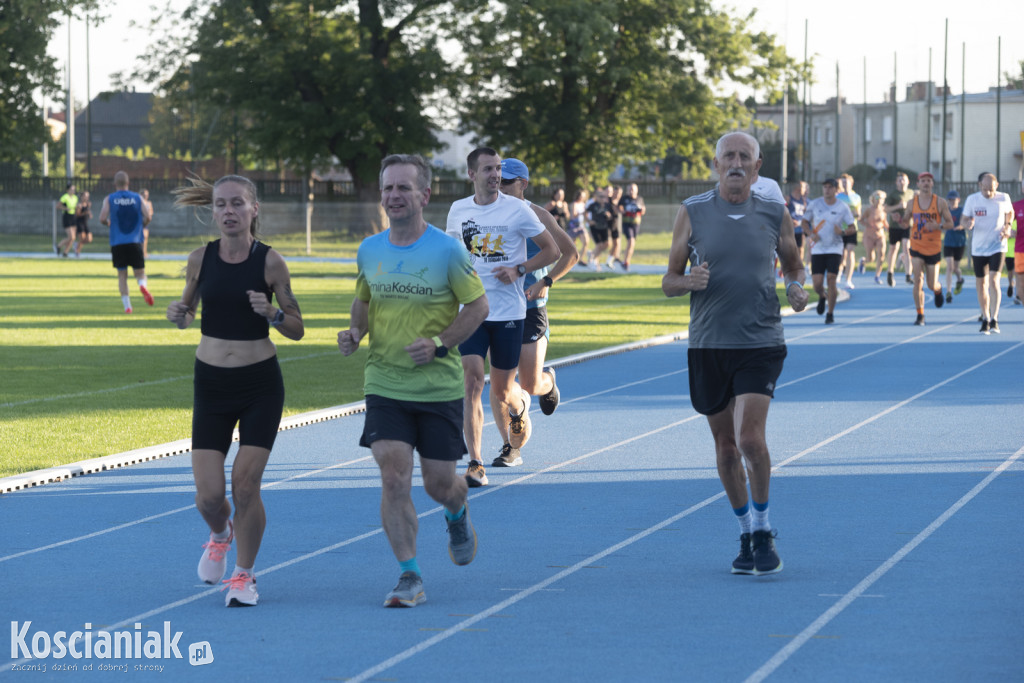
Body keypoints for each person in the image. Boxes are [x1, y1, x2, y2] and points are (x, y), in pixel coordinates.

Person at [338, 154, 487, 608]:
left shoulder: (447, 251)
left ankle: (457, 511)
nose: (393, 196)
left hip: (438, 387)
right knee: (393, 475)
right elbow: (363, 300)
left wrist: (441, 344)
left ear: (424, 195)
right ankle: (409, 575)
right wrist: (355, 332)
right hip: (385, 382)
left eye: (403, 188)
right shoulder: (370, 250)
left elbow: (477, 308)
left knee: (438, 485)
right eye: (387, 188)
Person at [662, 131, 808, 576]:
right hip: (708, 343)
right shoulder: (692, 212)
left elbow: (793, 263)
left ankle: (764, 528)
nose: (737, 162)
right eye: (730, 155)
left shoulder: (774, 211)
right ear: (716, 163)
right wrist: (689, 281)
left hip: (760, 340)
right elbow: (669, 280)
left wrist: (797, 285)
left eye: (746, 156)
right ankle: (745, 530)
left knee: (749, 439)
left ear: (758, 166)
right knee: (726, 449)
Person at [166, 174, 305, 607]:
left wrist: (273, 315)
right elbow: (188, 312)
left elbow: (298, 327)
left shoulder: (270, 263)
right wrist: (179, 313)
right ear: (213, 211)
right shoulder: (199, 259)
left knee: (245, 485)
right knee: (209, 497)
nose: (228, 211)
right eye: (221, 205)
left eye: (237, 204)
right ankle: (221, 532)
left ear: (254, 210)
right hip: (211, 384)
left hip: (260, 384)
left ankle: (244, 576)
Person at [446, 148, 559, 487]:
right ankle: (475, 462)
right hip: (472, 311)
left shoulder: (517, 209)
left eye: (498, 169)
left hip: (510, 313)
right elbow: (452, 256)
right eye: (488, 169)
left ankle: (520, 405)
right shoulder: (458, 210)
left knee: (501, 391)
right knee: (470, 383)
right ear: (472, 175)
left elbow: (552, 250)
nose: (495, 175)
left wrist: (521, 269)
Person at [498, 158, 579, 464]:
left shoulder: (538, 214)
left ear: (523, 184)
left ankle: (549, 381)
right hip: (498, 308)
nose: (500, 187)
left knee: (529, 384)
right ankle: (509, 444)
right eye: (497, 181)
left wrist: (547, 280)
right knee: (499, 383)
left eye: (507, 182)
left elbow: (570, 253)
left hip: (531, 307)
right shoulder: (487, 215)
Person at [961, 172, 1014, 334]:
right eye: (985, 190)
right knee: (981, 284)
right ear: (979, 186)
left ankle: (995, 318)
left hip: (998, 246)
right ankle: (985, 317)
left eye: (991, 189)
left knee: (994, 281)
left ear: (996, 185)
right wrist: (968, 224)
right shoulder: (973, 200)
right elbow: (963, 220)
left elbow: (1010, 213)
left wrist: (1007, 226)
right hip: (978, 248)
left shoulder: (1004, 198)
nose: (989, 193)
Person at [98, 172, 153, 313]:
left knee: (122, 275)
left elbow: (102, 218)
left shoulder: (110, 199)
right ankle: (142, 285)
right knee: (140, 272)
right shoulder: (137, 197)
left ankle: (127, 306)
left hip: (117, 242)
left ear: (115, 184)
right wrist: (143, 225)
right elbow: (147, 216)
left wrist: (109, 223)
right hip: (135, 240)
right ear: (128, 183)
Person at [801, 178, 853, 324]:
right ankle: (822, 296)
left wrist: (842, 231)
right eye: (825, 187)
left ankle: (830, 313)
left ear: (836, 190)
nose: (827, 190)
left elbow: (852, 228)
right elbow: (804, 222)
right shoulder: (815, 204)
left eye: (830, 187)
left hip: (835, 248)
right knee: (817, 284)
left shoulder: (843, 207)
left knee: (831, 279)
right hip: (817, 249)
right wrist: (810, 234)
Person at [905, 172, 953, 325]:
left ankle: (938, 290)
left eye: (928, 181)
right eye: (923, 181)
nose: (926, 183)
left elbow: (950, 224)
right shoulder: (912, 203)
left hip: (933, 248)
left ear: (932, 184)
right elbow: (905, 222)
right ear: (918, 184)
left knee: (931, 284)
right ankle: (920, 315)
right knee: (918, 280)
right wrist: (899, 220)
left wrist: (937, 226)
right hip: (917, 246)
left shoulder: (940, 202)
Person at [884, 172, 915, 286]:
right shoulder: (893, 194)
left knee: (906, 247)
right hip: (894, 226)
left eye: (903, 180)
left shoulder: (911, 193)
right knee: (893, 249)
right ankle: (890, 273)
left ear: (908, 182)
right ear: (896, 182)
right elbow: (886, 209)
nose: (901, 182)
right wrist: (898, 207)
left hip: (907, 225)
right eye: (899, 180)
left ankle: (908, 275)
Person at [836, 174, 863, 288]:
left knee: (850, 252)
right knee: (842, 254)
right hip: (840, 229)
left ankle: (848, 279)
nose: (844, 184)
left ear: (851, 183)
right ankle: (839, 271)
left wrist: (856, 214)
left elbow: (859, 214)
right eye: (842, 182)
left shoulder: (857, 197)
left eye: (846, 182)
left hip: (852, 228)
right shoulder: (837, 197)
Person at [942, 189, 966, 303]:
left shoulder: (962, 210)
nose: (952, 202)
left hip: (959, 242)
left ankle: (960, 279)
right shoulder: (946, 211)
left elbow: (966, 222)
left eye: (954, 200)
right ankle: (948, 291)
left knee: (956, 268)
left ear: (958, 200)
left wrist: (961, 226)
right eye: (950, 200)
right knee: (950, 267)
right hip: (948, 242)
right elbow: (942, 223)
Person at [859, 190, 888, 284]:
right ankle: (863, 261)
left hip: (880, 235)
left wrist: (889, 228)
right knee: (871, 258)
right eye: (877, 197)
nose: (879, 200)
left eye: (881, 198)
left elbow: (884, 222)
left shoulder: (884, 210)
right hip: (869, 236)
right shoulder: (869, 209)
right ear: (873, 199)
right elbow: (861, 220)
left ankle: (877, 276)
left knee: (881, 254)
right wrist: (868, 224)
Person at [617, 183, 646, 271]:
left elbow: (643, 210)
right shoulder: (624, 198)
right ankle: (625, 261)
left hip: (636, 223)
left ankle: (626, 261)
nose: (631, 191)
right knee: (631, 241)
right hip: (626, 223)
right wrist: (623, 211)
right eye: (630, 189)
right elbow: (619, 207)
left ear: (636, 190)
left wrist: (641, 210)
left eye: (633, 189)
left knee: (632, 244)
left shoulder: (639, 199)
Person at [586, 187, 614, 272]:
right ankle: (593, 260)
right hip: (595, 227)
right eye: (600, 196)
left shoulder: (607, 205)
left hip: (604, 227)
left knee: (607, 244)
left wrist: (609, 215)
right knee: (599, 245)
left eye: (604, 196)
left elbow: (611, 216)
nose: (602, 198)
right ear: (597, 197)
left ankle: (592, 254)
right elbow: (585, 213)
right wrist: (589, 221)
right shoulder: (593, 205)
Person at [785, 181, 809, 269]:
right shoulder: (789, 198)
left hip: (800, 228)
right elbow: (782, 211)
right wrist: (789, 220)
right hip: (790, 228)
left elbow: (808, 214)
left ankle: (799, 266)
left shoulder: (804, 200)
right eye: (803, 188)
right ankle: (788, 266)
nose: (805, 190)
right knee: (789, 248)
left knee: (800, 248)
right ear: (798, 188)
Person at [567, 189, 592, 267]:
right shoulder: (574, 204)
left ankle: (581, 259)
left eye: (583, 196)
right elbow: (572, 216)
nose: (582, 198)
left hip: (581, 226)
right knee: (571, 245)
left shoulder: (584, 204)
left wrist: (589, 221)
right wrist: (581, 213)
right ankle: (569, 260)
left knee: (586, 241)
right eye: (581, 196)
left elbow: (585, 216)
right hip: (573, 226)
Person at [56, 183, 78, 257]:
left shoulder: (75, 197)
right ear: (67, 190)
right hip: (67, 217)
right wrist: (66, 209)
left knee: (73, 238)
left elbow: (74, 207)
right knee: (71, 237)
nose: (73, 191)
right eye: (72, 189)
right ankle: (59, 245)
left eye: (74, 189)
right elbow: (58, 206)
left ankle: (65, 252)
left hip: (73, 217)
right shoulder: (64, 197)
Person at [1013, 181, 1024, 307]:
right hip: (1020, 250)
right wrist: (1008, 228)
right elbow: (1006, 221)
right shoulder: (1016, 206)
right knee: (1021, 285)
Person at [73, 191, 93, 257]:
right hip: (79, 223)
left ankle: (77, 245)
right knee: (82, 238)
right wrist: (85, 213)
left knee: (89, 239)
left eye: (88, 196)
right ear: (82, 197)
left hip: (85, 223)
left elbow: (88, 211)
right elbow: (77, 215)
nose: (87, 197)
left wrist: (89, 214)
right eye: (85, 196)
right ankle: (77, 252)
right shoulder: (79, 205)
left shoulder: (88, 204)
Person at [140, 188, 154, 258]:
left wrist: (148, 215)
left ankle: (144, 253)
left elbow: (151, 212)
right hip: (139, 222)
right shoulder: (139, 203)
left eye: (147, 195)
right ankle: (140, 253)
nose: (146, 196)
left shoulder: (149, 203)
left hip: (146, 222)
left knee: (145, 238)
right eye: (144, 195)